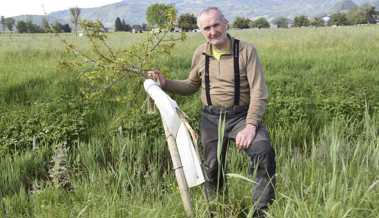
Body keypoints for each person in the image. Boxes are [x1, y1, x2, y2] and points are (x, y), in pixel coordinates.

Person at [149, 7, 275, 217]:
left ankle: (261, 212)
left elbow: (259, 92)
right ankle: (217, 210)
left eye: (216, 25)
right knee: (211, 168)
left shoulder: (246, 51)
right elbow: (191, 85)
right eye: (206, 28)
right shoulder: (200, 52)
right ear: (201, 31)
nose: (212, 31)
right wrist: (166, 83)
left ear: (226, 23)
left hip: (241, 117)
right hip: (211, 119)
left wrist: (251, 126)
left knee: (263, 151)